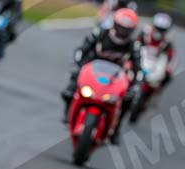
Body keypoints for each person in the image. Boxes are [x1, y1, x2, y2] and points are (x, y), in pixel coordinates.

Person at [61, 8, 142, 143]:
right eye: (121, 27)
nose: (122, 32)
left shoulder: (134, 45)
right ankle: (68, 113)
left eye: (126, 29)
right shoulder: (100, 33)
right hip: (91, 68)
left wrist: (136, 85)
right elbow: (82, 49)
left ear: (132, 30)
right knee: (69, 90)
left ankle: (116, 128)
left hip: (115, 77)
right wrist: (77, 65)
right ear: (114, 24)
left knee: (128, 99)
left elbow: (138, 67)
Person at [138, 12, 176, 87]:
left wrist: (167, 69)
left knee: (168, 75)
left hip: (155, 65)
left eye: (162, 30)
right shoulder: (145, 33)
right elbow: (135, 45)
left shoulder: (167, 42)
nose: (159, 31)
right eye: (158, 28)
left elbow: (170, 58)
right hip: (141, 59)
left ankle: (155, 91)